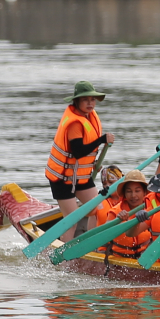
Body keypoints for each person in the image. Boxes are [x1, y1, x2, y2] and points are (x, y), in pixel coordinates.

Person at [46, 81, 114, 220]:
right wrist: (102, 140)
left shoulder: (89, 116)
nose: (90, 103)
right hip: (63, 180)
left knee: (99, 209)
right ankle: (66, 241)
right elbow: (78, 152)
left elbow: (85, 152)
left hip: (80, 176)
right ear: (77, 101)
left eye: (92, 99)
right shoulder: (75, 123)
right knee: (71, 222)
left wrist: (92, 164)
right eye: (85, 99)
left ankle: (93, 239)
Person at [91, 170, 151, 260]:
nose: (133, 195)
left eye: (137, 191)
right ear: (125, 194)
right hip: (119, 257)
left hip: (145, 256)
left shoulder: (151, 209)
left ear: (144, 193)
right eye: (129, 191)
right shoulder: (115, 211)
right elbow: (105, 235)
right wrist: (119, 222)